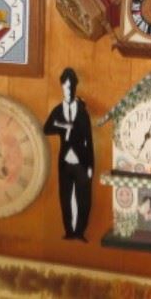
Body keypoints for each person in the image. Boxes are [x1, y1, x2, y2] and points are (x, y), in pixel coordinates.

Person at [43, 67, 94, 241]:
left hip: (81, 162)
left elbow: (88, 140)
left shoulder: (82, 112)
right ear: (62, 87)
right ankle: (69, 231)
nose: (69, 91)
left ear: (75, 88)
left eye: (71, 87)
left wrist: (90, 166)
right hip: (65, 162)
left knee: (82, 197)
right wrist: (63, 126)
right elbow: (46, 129)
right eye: (66, 87)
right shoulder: (58, 111)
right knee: (66, 196)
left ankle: (80, 231)